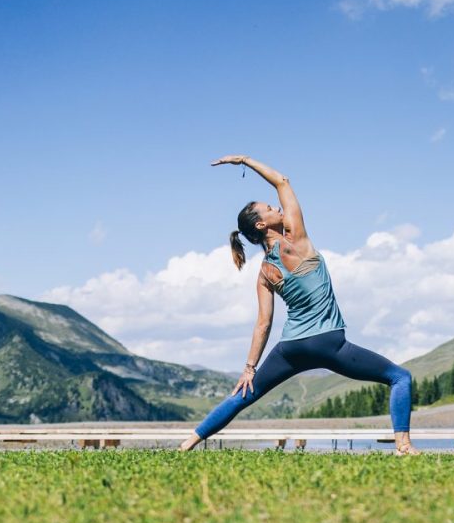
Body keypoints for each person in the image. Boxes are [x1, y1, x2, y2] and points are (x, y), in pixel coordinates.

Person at [178, 155, 419, 455]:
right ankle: (403, 445)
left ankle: (187, 444)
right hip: (329, 342)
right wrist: (244, 160)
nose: (276, 207)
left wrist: (249, 369)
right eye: (269, 208)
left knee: (243, 395)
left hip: (291, 347)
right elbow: (283, 181)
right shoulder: (297, 239)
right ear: (263, 223)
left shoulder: (265, 272)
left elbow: (263, 324)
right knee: (399, 377)